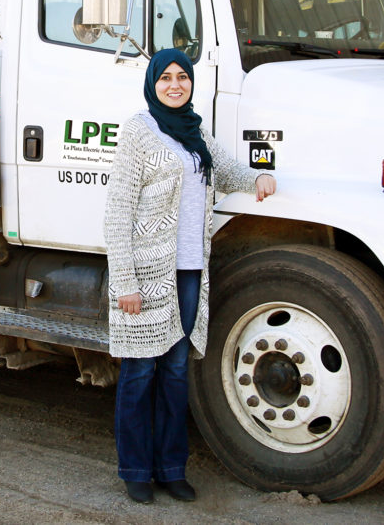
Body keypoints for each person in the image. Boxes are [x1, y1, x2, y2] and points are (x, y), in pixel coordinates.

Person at [103, 48, 277, 504]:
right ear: (152, 83)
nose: (175, 85)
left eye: (183, 77)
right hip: (145, 271)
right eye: (166, 78)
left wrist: (259, 178)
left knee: (176, 373)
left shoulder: (194, 132)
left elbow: (226, 168)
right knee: (140, 373)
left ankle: (171, 468)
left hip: (188, 271)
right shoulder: (139, 132)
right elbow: (118, 210)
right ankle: (137, 470)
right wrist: (125, 283)